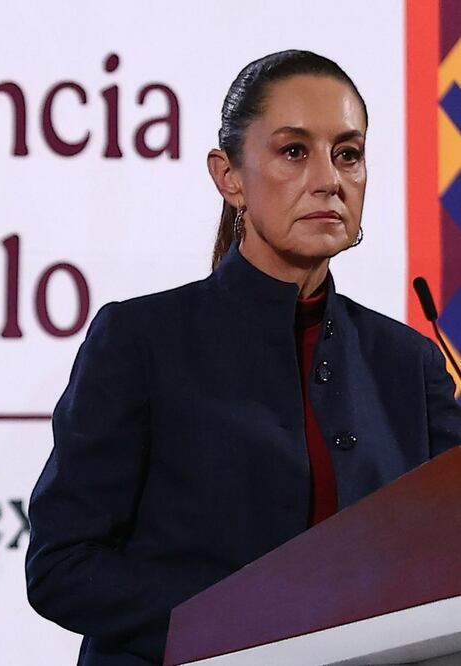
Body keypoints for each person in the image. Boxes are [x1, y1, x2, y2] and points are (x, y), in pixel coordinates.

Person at [24, 50, 461, 666]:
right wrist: (246, 623)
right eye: (294, 151)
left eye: (348, 154)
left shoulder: (410, 363)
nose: (329, 180)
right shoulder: (139, 341)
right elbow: (63, 566)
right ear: (229, 177)